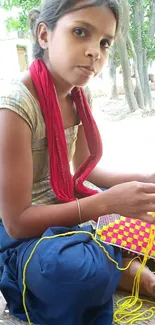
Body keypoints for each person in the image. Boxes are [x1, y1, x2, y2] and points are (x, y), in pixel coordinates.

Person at [0, 1, 155, 324]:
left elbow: (87, 172)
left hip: (68, 203)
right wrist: (105, 204)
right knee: (74, 273)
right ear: (44, 34)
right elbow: (17, 222)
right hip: (24, 234)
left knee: (145, 208)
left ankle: (121, 260)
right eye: (80, 32)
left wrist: (145, 179)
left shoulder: (80, 97)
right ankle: (129, 269)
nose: (94, 52)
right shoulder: (14, 108)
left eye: (104, 43)